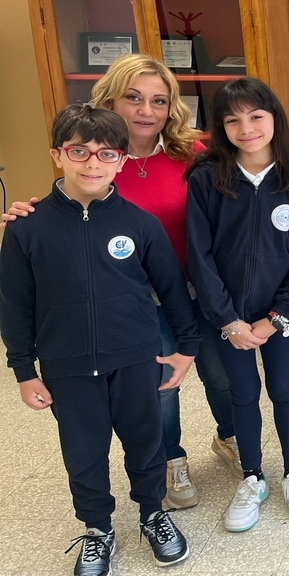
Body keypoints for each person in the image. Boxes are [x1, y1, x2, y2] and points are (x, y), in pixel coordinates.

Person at [2, 54, 289, 510]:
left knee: (222, 378)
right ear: (110, 99)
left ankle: (233, 439)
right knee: (161, 385)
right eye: (133, 97)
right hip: (133, 297)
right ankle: (172, 458)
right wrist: (27, 211)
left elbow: (253, 164)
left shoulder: (194, 154)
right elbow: (72, 204)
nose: (146, 110)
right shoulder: (98, 155)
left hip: (200, 291)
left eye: (158, 100)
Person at [0, 105, 195, 575]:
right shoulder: (27, 228)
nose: (92, 163)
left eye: (106, 153)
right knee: (84, 453)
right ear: (57, 155)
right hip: (66, 364)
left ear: (121, 161)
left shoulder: (141, 224)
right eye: (79, 151)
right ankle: (97, 528)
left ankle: (152, 514)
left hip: (135, 358)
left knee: (146, 443)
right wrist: (24, 371)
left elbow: (172, 290)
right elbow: (14, 304)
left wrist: (186, 348)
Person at [185, 77, 289, 531]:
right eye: (233, 120)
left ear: (275, 119)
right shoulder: (207, 181)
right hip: (228, 320)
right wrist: (228, 320)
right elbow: (199, 256)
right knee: (242, 393)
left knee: (283, 388)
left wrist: (276, 317)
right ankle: (252, 476)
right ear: (220, 128)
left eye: (256, 116)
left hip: (276, 316)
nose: (246, 129)